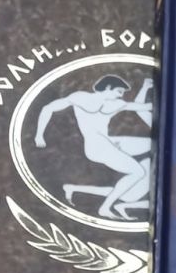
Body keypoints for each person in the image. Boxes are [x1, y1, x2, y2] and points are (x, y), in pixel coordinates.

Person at [34, 73, 154, 219]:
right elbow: (48, 108)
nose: (120, 95)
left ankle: (74, 189)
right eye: (119, 91)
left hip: (108, 143)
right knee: (138, 172)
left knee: (151, 144)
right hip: (97, 148)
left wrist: (145, 88)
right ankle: (105, 208)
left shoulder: (115, 104)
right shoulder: (80, 98)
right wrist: (39, 135)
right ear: (108, 87)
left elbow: (144, 107)